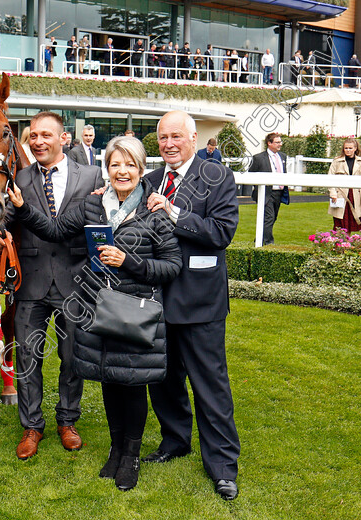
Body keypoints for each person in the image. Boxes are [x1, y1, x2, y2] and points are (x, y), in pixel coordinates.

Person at [8, 135, 181, 490]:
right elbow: (56, 230)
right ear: (107, 169)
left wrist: (128, 260)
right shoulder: (93, 205)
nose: (122, 171)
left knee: (131, 385)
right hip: (98, 309)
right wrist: (24, 208)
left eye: (130, 165)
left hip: (135, 312)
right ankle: (116, 452)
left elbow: (172, 265)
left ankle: (130, 457)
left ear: (140, 169)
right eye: (115, 164)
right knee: (108, 381)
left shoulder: (153, 210)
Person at [143, 110, 240, 501]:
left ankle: (222, 467)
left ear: (194, 139)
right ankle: (174, 440)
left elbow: (221, 233)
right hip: (157, 299)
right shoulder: (149, 180)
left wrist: (174, 211)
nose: (168, 144)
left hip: (200, 303)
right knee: (163, 380)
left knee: (209, 386)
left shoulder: (218, 178)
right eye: (163, 137)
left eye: (176, 137)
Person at [4, 111, 104, 461]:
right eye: (33, 136)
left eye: (46, 135)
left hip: (75, 280)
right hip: (30, 280)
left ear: (64, 139)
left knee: (71, 355)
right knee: (28, 357)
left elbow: (96, 225)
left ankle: (67, 421)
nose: (38, 141)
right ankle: (32, 426)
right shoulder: (18, 177)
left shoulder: (91, 175)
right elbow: (6, 221)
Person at [249, 132, 288, 245]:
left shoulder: (283, 157)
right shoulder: (258, 158)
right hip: (265, 193)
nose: (280, 144)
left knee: (273, 218)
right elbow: (251, 175)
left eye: (280, 142)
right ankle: (268, 242)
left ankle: (259, 240)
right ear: (269, 143)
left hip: (279, 193)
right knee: (269, 217)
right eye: (277, 142)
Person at [327, 138, 361, 232]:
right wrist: (333, 193)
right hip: (340, 194)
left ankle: (349, 243)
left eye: (350, 148)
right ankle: (339, 244)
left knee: (353, 222)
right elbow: (330, 177)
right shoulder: (337, 161)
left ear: (355, 148)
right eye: (346, 148)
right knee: (339, 223)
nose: (348, 150)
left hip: (355, 195)